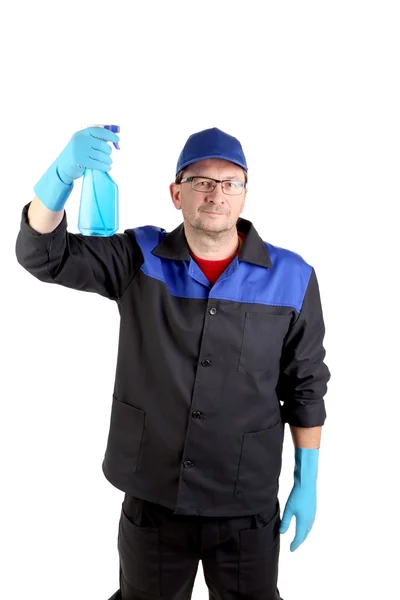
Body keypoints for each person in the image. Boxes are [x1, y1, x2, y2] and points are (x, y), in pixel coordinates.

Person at [15, 126, 331, 600]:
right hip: (154, 497)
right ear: (175, 192)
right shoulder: (138, 257)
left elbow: (305, 387)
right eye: (202, 181)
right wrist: (60, 176)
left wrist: (308, 481)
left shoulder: (293, 278)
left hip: (245, 502)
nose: (216, 194)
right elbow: (41, 255)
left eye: (230, 183)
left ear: (246, 195)